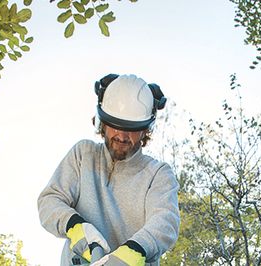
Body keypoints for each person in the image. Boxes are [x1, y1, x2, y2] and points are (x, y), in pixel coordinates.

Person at [37, 74, 180, 266]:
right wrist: (75, 226)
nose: (122, 135)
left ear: (146, 129)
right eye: (115, 125)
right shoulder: (83, 154)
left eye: (131, 128)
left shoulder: (158, 174)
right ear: (102, 122)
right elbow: (50, 200)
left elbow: (165, 222)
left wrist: (133, 251)